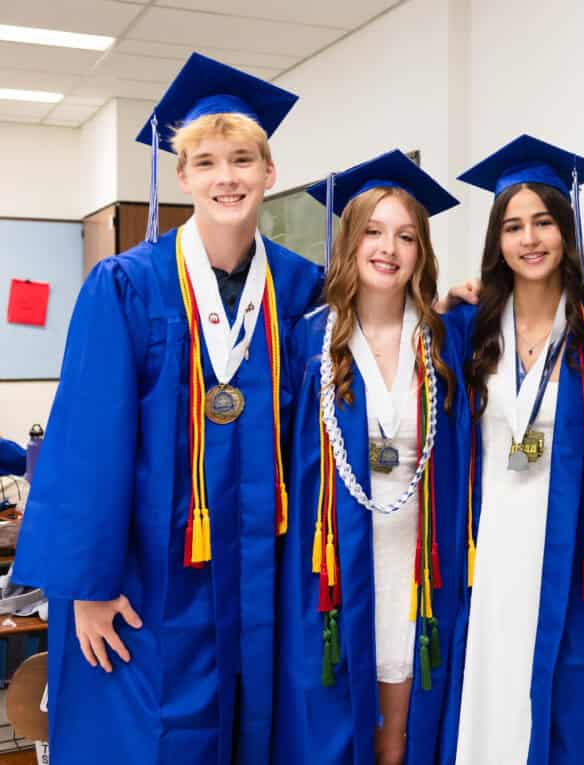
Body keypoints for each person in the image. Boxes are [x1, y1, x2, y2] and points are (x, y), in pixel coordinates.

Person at [13, 53, 322, 764]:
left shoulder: (301, 288)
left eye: (242, 160)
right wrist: (86, 588)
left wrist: (454, 314)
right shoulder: (126, 285)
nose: (226, 177)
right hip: (152, 579)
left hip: (263, 575)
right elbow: (87, 444)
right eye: (206, 162)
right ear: (183, 176)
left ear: (268, 172)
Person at [439, 134, 584, 764]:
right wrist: (442, 304)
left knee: (561, 696)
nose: (529, 239)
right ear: (497, 241)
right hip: (489, 542)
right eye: (513, 226)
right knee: (490, 683)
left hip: (569, 545)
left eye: (544, 222)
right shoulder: (466, 330)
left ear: (566, 232)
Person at [272, 150, 467, 765]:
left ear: (421, 251)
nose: (389, 248)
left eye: (406, 236)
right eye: (374, 232)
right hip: (334, 565)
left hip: (417, 566)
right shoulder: (309, 340)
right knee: (336, 726)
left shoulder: (445, 340)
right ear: (350, 242)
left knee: (400, 735)